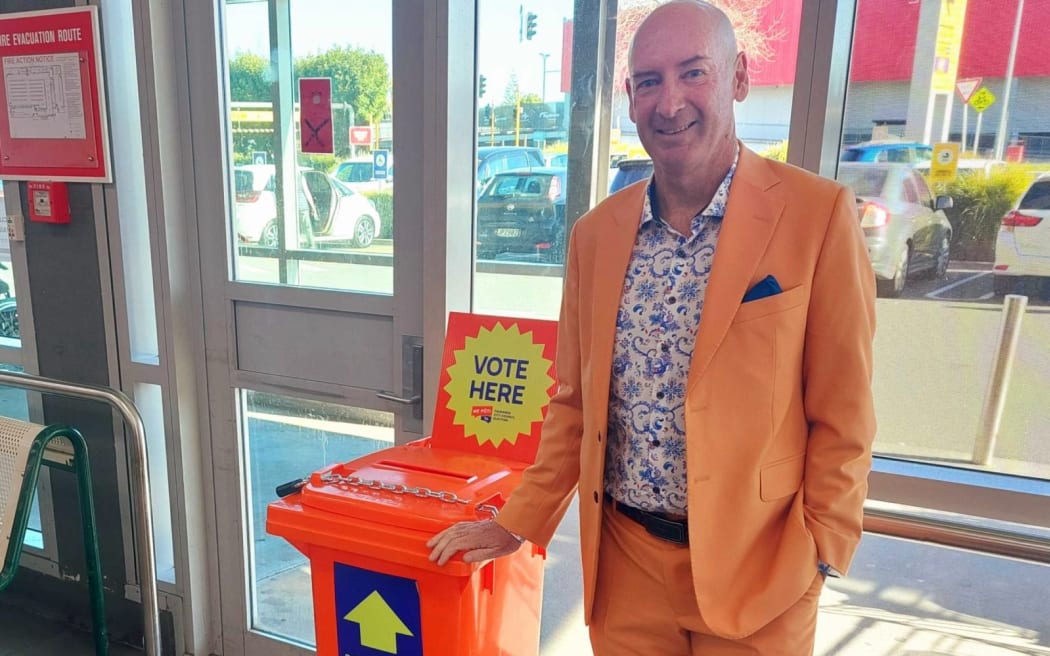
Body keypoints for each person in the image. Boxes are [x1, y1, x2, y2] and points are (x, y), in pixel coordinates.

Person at [427, 1, 876, 653]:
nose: (670, 103)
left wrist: (823, 550)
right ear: (630, 97)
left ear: (739, 78)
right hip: (626, 564)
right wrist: (517, 524)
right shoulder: (595, 236)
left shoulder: (817, 216)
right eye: (648, 81)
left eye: (694, 73)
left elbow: (845, 410)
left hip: (762, 568)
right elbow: (575, 406)